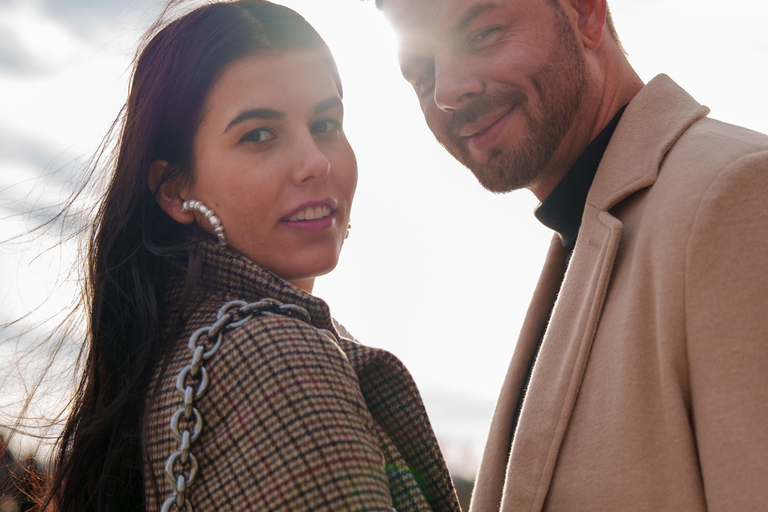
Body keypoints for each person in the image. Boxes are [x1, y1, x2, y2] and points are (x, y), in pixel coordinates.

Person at [41, 2, 462, 511]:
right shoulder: (274, 359)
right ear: (174, 189)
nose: (315, 162)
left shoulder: (178, 353)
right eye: (258, 135)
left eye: (326, 123)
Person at [375, 0, 768, 510]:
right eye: (421, 72)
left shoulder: (735, 195)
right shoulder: (584, 237)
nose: (447, 91)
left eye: (482, 34)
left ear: (585, 13)